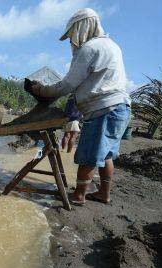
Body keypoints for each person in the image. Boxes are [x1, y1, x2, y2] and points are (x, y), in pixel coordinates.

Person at [31, 8, 131, 205]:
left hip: (104, 109)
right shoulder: (112, 46)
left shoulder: (90, 49)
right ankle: (104, 193)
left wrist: (41, 90)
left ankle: (78, 195)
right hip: (121, 108)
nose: (70, 41)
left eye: (71, 35)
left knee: (88, 155)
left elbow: (67, 85)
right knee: (107, 154)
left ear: (81, 28)